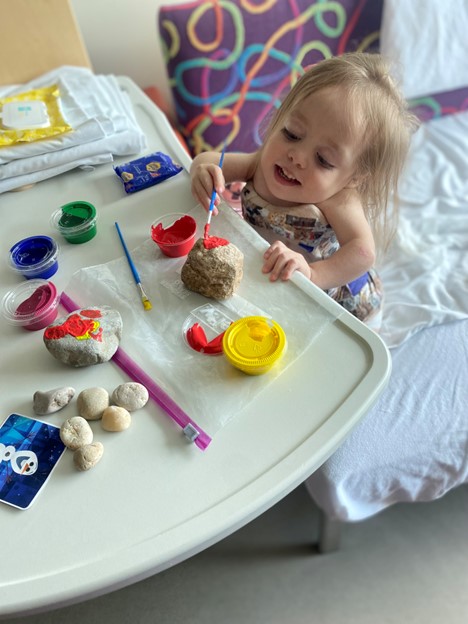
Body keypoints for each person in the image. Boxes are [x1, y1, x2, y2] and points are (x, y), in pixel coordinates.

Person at [190, 52, 418, 326]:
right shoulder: (261, 163)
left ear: (354, 177)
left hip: (339, 306)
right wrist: (203, 171)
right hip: (273, 282)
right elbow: (212, 161)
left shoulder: (338, 198)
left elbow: (363, 252)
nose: (296, 157)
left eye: (323, 160)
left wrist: (312, 274)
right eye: (292, 133)